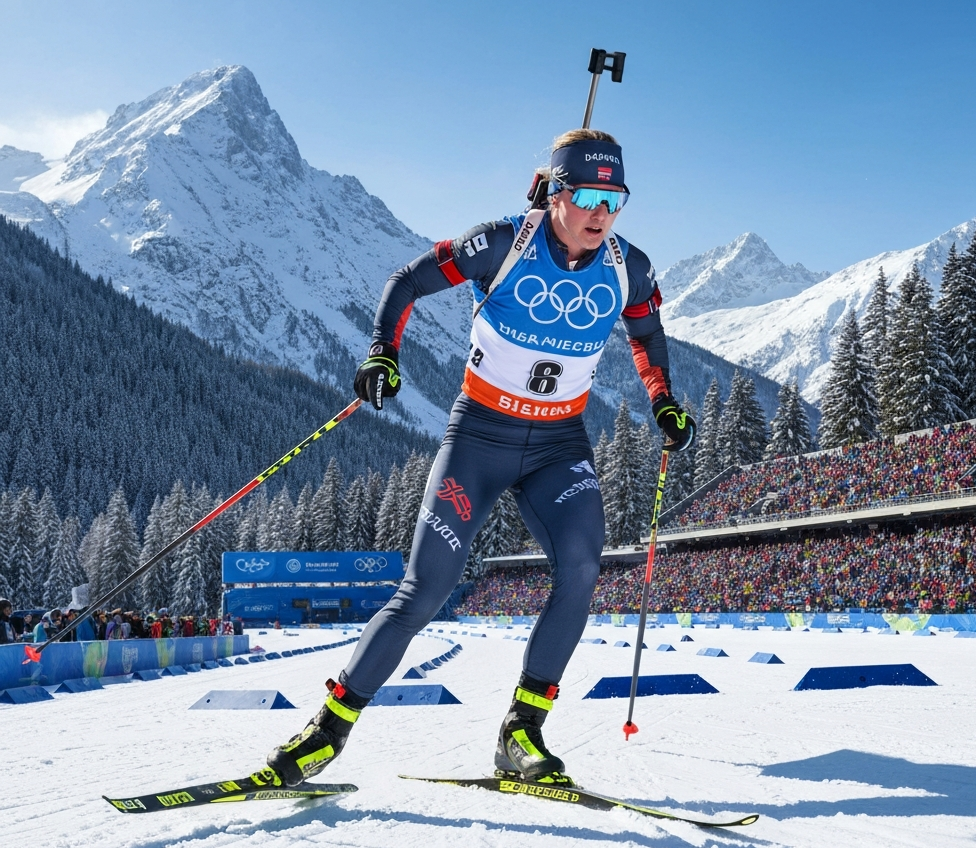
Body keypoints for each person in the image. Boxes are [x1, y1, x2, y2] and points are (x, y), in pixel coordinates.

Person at [267, 129, 694, 789]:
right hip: (480, 439)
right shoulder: (502, 242)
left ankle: (520, 733)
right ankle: (327, 730)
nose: (600, 211)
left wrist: (663, 399)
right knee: (426, 589)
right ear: (555, 192)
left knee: (581, 568)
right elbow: (405, 282)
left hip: (558, 445)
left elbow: (647, 334)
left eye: (615, 198)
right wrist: (382, 351)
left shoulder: (628, 266)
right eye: (585, 194)